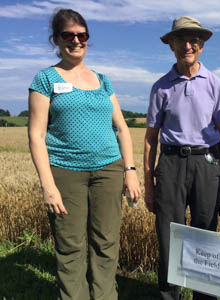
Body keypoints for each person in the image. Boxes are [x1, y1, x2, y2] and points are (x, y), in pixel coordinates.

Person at [28, 8, 141, 300]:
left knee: (106, 242)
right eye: (69, 35)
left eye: (82, 35)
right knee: (70, 245)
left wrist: (130, 171)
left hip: (108, 170)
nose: (76, 40)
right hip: (65, 172)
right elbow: (37, 135)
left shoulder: (103, 80)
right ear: (56, 39)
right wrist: (48, 185)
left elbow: (122, 129)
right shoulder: (46, 79)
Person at [144, 16, 220, 300]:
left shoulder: (216, 84)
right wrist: (148, 184)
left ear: (202, 45)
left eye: (194, 40)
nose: (188, 45)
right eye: (181, 39)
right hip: (170, 165)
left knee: (205, 235)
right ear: (171, 45)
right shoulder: (161, 87)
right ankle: (170, 296)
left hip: (207, 165)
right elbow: (150, 138)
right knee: (169, 237)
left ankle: (205, 297)